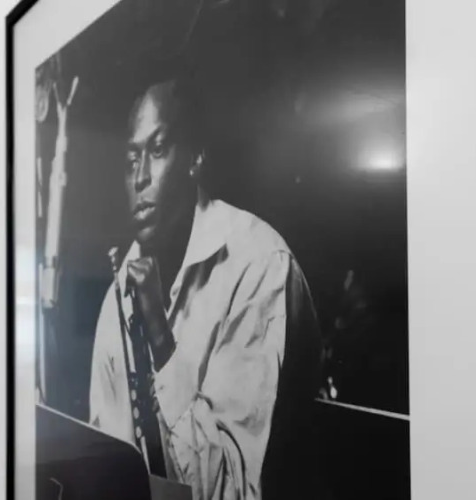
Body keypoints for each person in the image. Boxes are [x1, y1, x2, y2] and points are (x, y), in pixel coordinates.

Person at [89, 78, 321, 500]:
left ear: (195, 157)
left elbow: (232, 491)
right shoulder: (118, 291)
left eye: (158, 149)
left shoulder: (259, 265)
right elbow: (108, 470)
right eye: (131, 158)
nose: (140, 177)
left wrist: (160, 338)